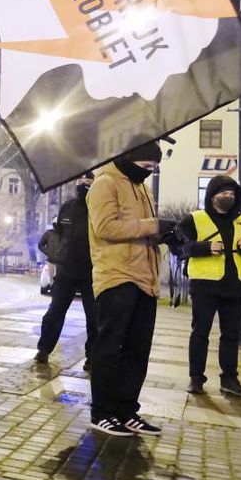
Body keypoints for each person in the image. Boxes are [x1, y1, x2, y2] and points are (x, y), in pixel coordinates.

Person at [86, 141, 177, 437]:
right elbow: (105, 228)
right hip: (117, 276)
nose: (150, 172)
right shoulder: (105, 183)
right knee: (110, 347)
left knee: (138, 349)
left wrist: (166, 233)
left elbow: (140, 229)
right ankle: (102, 411)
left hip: (145, 278)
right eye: (147, 166)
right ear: (130, 159)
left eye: (154, 168)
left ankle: (127, 411)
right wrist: (153, 225)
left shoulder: (142, 188)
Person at [177, 176, 241, 398]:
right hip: (205, 285)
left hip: (236, 285)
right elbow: (179, 245)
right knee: (200, 333)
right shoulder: (195, 219)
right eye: (223, 194)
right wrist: (203, 247)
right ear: (212, 196)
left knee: (231, 334)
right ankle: (196, 379)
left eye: (232, 195)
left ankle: (230, 380)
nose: (228, 198)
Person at [35, 173, 99, 367]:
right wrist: (57, 256)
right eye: (81, 182)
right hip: (67, 271)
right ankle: (43, 349)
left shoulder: (100, 208)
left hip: (92, 273)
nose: (84, 185)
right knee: (54, 313)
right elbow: (58, 234)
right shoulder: (68, 207)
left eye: (89, 182)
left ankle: (92, 357)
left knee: (95, 318)